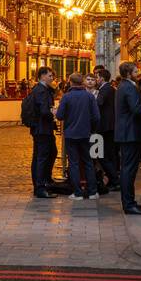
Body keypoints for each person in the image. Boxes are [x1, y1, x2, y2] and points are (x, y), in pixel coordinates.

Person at [56, 72, 102, 200]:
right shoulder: (89, 97)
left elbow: (59, 115)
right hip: (85, 133)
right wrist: (92, 129)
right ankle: (92, 191)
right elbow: (97, 117)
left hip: (71, 134)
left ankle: (77, 192)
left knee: (74, 163)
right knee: (88, 162)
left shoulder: (66, 97)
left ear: (70, 82)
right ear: (82, 82)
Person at [114, 61, 141, 214]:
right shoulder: (129, 87)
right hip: (130, 133)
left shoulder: (123, 86)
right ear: (128, 74)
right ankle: (128, 204)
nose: (138, 74)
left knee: (129, 168)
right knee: (129, 169)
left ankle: (130, 201)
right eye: (135, 72)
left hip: (126, 132)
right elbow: (136, 109)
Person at [28, 67, 59, 199]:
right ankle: (40, 187)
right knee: (42, 157)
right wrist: (54, 113)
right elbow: (44, 110)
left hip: (42, 128)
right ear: (42, 76)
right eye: (50, 76)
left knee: (50, 153)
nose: (52, 78)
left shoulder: (41, 89)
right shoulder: (41, 91)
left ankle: (44, 181)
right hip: (42, 128)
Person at [94, 67, 119, 191]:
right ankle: (113, 179)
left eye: (96, 77)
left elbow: (98, 103)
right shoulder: (109, 89)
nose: (95, 80)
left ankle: (114, 179)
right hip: (109, 125)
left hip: (105, 126)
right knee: (108, 154)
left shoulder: (105, 89)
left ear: (102, 78)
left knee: (102, 154)